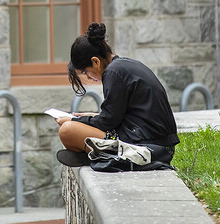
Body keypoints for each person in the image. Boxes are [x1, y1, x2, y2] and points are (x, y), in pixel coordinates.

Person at [56, 22, 179, 169]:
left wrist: (76, 119)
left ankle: (97, 154)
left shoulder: (113, 72)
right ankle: (93, 154)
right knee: (72, 128)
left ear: (95, 61)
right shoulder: (123, 66)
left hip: (148, 147)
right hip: (159, 145)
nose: (89, 79)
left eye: (85, 73)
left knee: (67, 130)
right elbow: (116, 115)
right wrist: (91, 117)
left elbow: (108, 122)